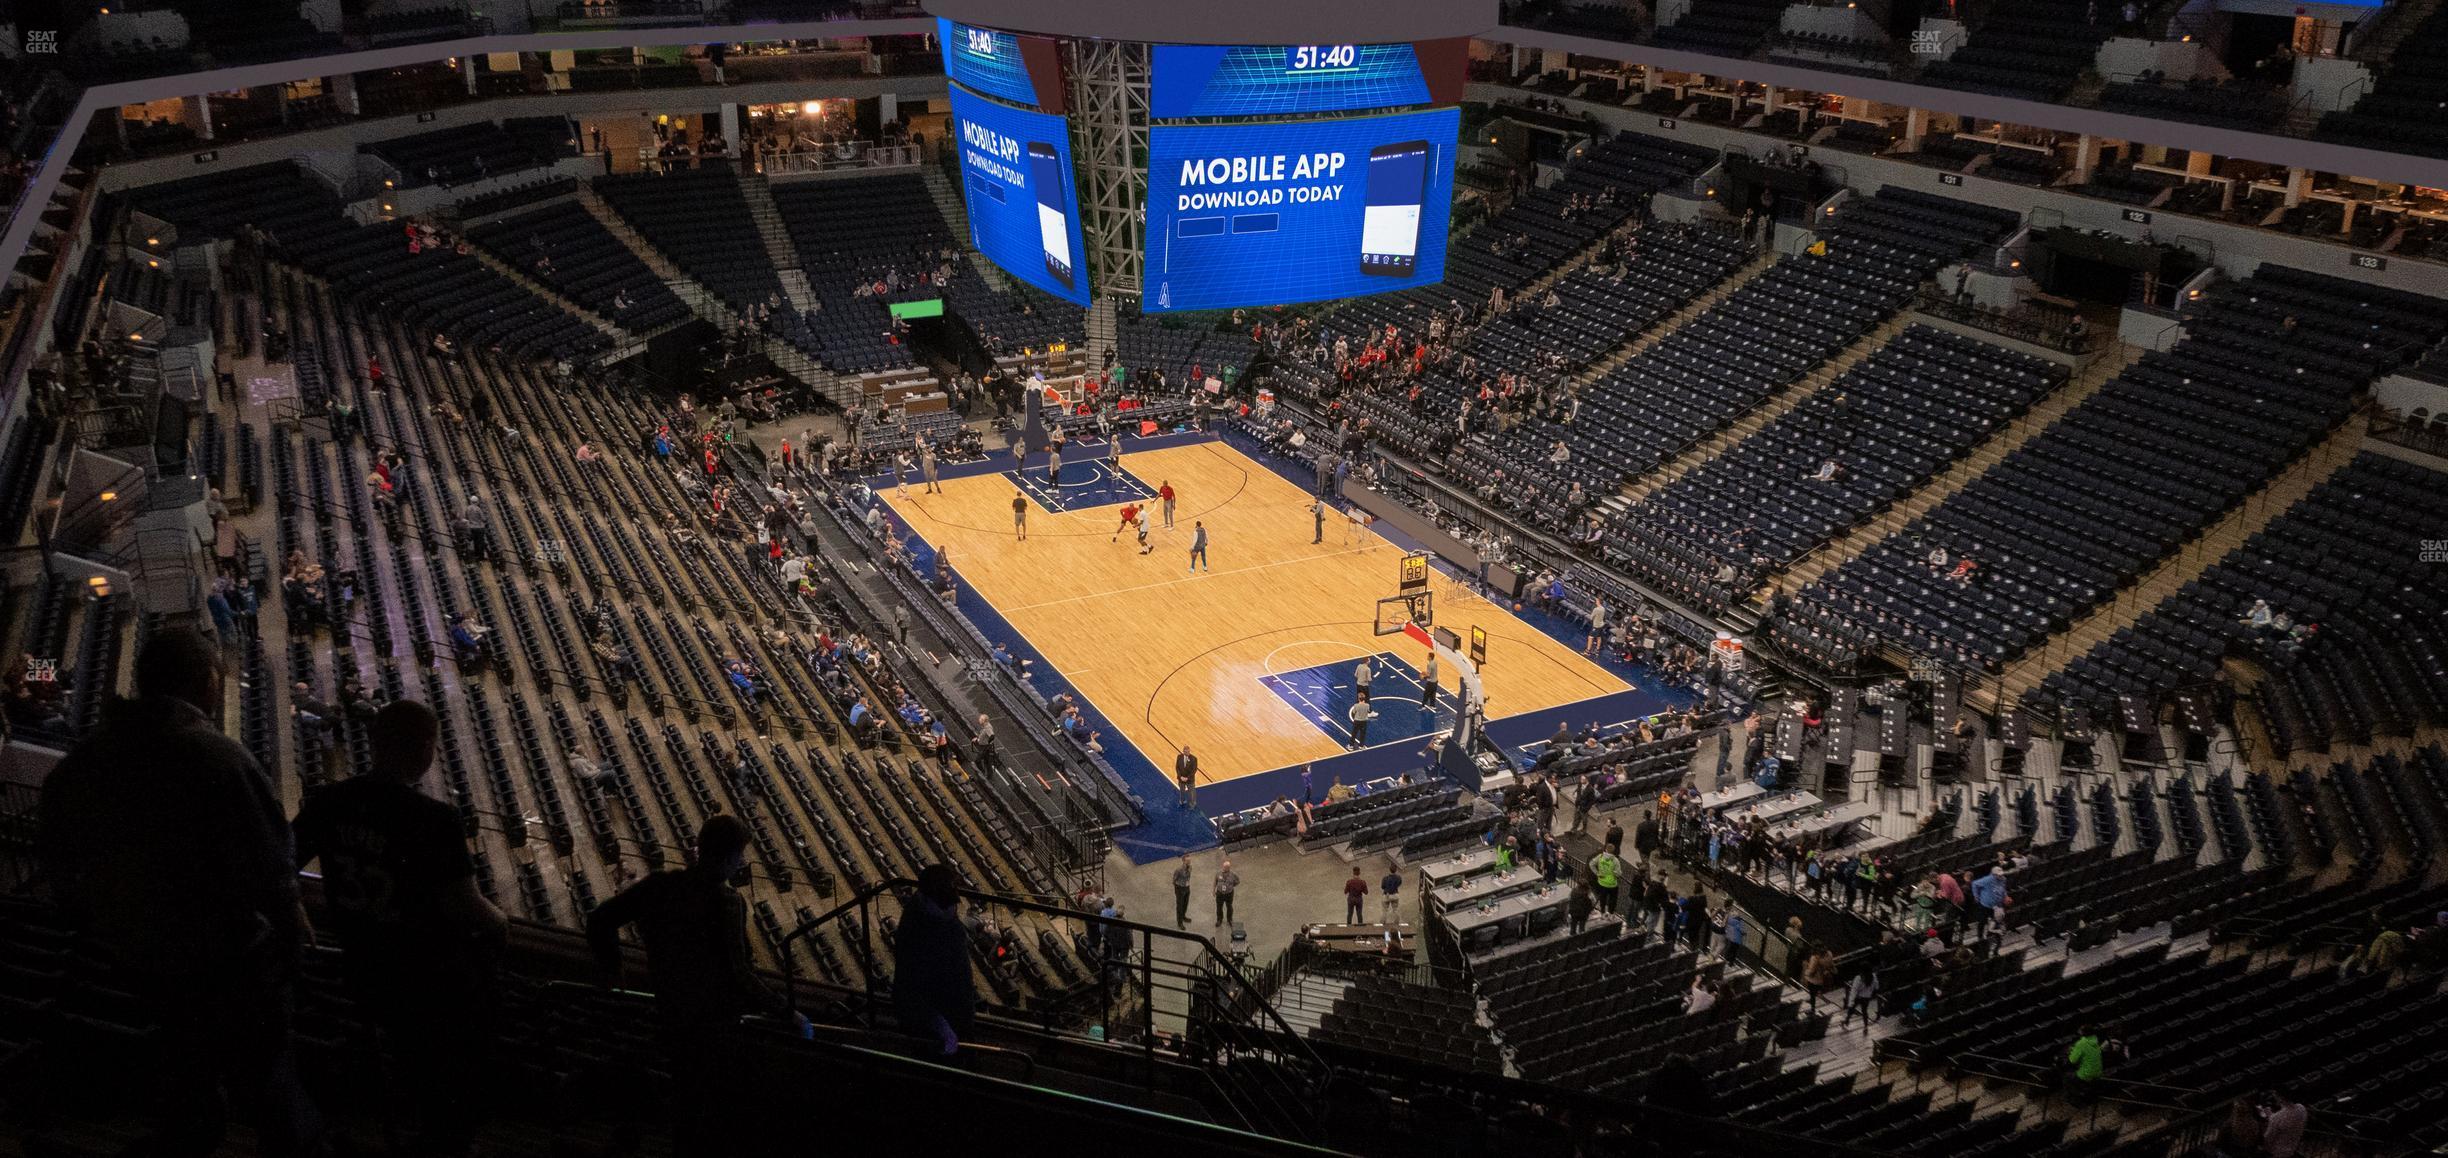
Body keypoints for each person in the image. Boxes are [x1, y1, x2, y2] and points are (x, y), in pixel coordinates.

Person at [38, 629, 317, 1156]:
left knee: (186, 1081)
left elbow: (60, 866)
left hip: (138, 962)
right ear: (207, 683)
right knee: (273, 1088)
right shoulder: (221, 760)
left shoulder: (82, 765)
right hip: (230, 967)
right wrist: (289, 960)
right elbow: (275, 877)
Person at [292, 700, 506, 1155]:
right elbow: (468, 908)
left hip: (360, 966)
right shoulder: (435, 820)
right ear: (429, 748)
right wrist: (502, 922)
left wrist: (294, 908)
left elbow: (277, 861)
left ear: (373, 741)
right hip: (426, 983)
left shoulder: (331, 801)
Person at [587, 814, 808, 1155]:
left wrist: (613, 970)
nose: (742, 863)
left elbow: (600, 920)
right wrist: (786, 1011)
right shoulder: (727, 901)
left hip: (669, 1013)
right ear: (728, 857)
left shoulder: (661, 885)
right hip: (712, 1030)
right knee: (710, 1119)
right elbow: (740, 973)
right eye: (739, 856)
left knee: (685, 1111)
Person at [893, 864, 977, 1058]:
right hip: (939, 1024)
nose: (956, 895)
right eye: (951, 888)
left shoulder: (934, 914)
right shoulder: (919, 929)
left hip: (956, 1013)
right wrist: (940, 1025)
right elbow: (909, 988)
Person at [2262, 1090, 2308, 1158]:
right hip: (2293, 1147)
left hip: (2278, 1153)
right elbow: (2286, 1120)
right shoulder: (2301, 1108)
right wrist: (2272, 1117)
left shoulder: (2277, 1118)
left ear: (2278, 1098)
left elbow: (2267, 1139)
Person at [2066, 1024, 2106, 1099]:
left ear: (2083, 1033)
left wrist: (2071, 1052)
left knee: (2067, 1077)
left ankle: (2075, 1097)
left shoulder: (2082, 1043)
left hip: (2086, 1074)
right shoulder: (2095, 1041)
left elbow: (2072, 1060)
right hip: (2097, 1072)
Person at [1591, 846, 1622, 916]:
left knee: (1602, 898)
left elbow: (1591, 864)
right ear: (1614, 851)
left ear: (1606, 849)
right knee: (1612, 900)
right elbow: (1619, 873)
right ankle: (1611, 913)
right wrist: (1614, 873)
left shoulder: (1600, 856)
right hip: (1612, 884)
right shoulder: (1615, 860)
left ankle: (1602, 912)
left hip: (1601, 882)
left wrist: (1597, 873)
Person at [1213, 859, 1240, 928]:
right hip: (1220, 893)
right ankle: (1219, 920)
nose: (1223, 868)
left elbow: (1237, 881)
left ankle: (1229, 919)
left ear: (1228, 868)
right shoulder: (1218, 873)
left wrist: (1231, 886)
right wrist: (1213, 890)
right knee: (1219, 907)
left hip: (1229, 894)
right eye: (1223, 867)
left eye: (1225, 867)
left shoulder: (1233, 874)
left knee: (1229, 907)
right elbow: (1215, 882)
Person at [1172, 855, 1194, 929]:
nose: (1189, 862)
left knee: (1185, 903)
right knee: (1180, 906)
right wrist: (1178, 889)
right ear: (1183, 861)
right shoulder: (1179, 870)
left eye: (1189, 861)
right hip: (1180, 888)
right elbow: (1174, 880)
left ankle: (1183, 916)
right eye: (1187, 861)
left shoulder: (1190, 868)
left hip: (1187, 887)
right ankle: (1180, 922)